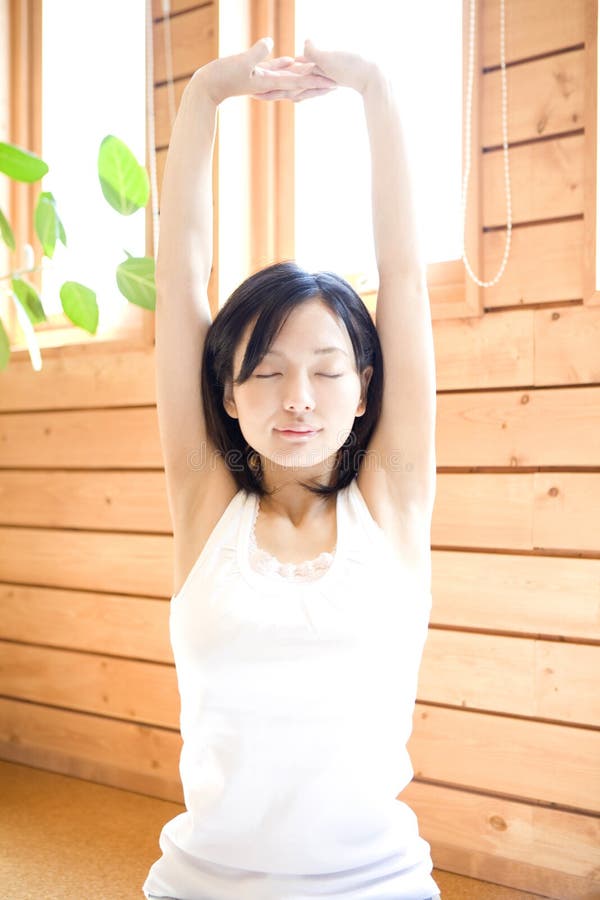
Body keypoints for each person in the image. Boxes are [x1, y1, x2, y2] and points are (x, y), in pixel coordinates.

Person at [143, 34, 441, 900]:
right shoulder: (206, 505)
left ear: (364, 387)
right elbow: (180, 283)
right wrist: (203, 95)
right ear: (230, 397)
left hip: (374, 884)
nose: (297, 397)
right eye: (265, 371)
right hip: (204, 883)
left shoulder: (393, 503)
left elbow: (406, 282)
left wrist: (377, 91)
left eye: (325, 368)